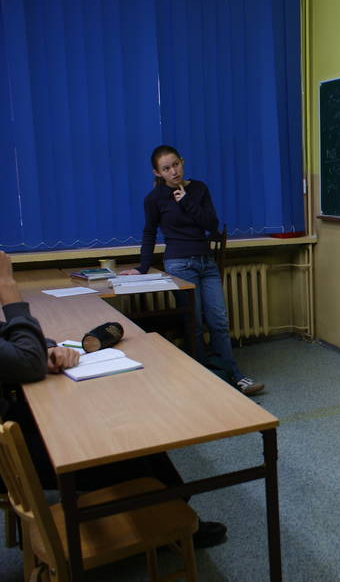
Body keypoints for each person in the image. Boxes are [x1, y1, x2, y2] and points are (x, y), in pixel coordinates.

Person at [0, 250, 227, 548]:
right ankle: (170, 525)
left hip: (16, 422)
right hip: (12, 457)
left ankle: (175, 509)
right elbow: (27, 361)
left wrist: (48, 347)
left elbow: (10, 339)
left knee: (131, 433)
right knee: (123, 448)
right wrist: (8, 288)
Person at [120, 145, 264, 395]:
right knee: (193, 322)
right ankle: (203, 378)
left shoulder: (198, 189)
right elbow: (149, 233)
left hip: (206, 262)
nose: (173, 171)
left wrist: (187, 201)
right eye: (166, 168)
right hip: (179, 264)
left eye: (176, 165)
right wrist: (141, 268)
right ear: (157, 172)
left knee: (219, 321)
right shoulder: (154, 199)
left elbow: (211, 224)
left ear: (182, 162)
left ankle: (234, 375)